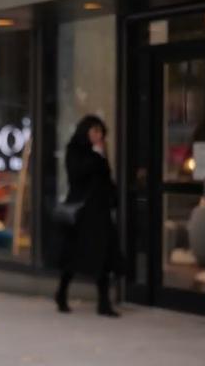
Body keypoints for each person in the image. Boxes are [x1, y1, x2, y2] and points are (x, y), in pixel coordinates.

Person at [54, 115, 123, 317]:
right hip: (82, 211)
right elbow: (76, 174)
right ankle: (62, 292)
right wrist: (96, 155)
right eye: (95, 131)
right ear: (86, 132)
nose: (99, 136)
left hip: (100, 210)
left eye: (101, 132)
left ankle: (104, 302)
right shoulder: (75, 150)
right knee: (73, 256)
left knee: (104, 255)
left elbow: (105, 177)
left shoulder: (100, 152)